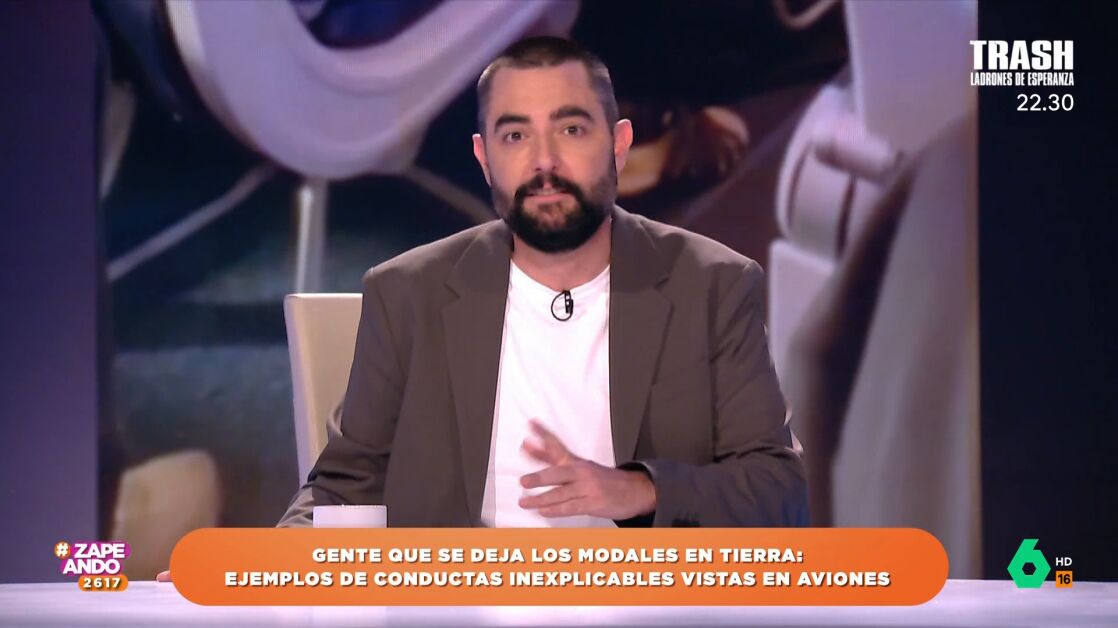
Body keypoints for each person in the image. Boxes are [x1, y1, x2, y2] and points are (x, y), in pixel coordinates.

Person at [277, 35, 807, 528]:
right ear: (485, 159)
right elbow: (341, 491)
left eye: (571, 130)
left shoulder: (712, 286)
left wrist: (640, 490)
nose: (544, 162)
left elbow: (779, 490)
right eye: (515, 136)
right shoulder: (407, 293)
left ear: (619, 144)